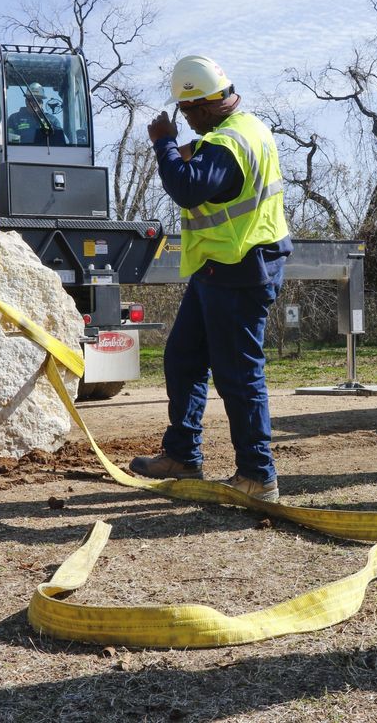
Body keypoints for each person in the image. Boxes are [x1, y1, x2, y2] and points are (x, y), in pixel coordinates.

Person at [129, 56, 292, 503]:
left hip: (239, 269)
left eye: (185, 113)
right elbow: (212, 179)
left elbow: (186, 187)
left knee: (239, 375)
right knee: (183, 358)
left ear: (201, 107)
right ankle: (183, 455)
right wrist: (187, 152)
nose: (185, 122)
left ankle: (258, 475)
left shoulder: (225, 144)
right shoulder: (247, 129)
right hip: (218, 269)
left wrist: (164, 143)